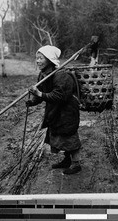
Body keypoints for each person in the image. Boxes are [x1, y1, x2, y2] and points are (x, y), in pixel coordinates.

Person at [26, 45, 81, 174]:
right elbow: (43, 93)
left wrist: (39, 94)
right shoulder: (42, 75)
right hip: (55, 111)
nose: (38, 61)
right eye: (37, 58)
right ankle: (67, 160)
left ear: (50, 60)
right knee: (59, 135)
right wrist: (33, 100)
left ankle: (76, 164)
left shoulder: (62, 75)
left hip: (67, 111)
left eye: (41, 58)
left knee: (69, 135)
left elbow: (59, 96)